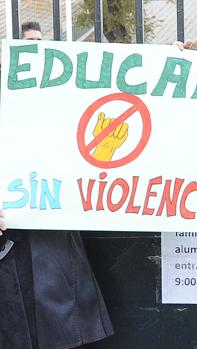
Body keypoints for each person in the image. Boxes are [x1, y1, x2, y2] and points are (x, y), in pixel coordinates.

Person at [0, 22, 114, 349]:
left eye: (38, 44)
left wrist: (182, 62)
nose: (32, 51)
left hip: (56, 261)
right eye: (25, 45)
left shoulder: (64, 99)